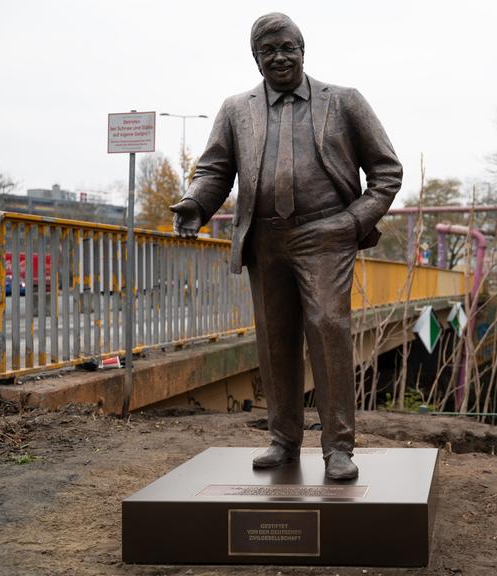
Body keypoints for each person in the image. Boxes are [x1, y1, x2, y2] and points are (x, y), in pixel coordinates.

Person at [169, 13, 402, 480]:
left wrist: (350, 223)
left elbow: (386, 173)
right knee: (275, 342)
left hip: (326, 236)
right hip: (265, 240)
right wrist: (196, 203)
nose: (279, 57)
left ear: (302, 49)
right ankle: (283, 439)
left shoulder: (345, 102)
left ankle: (338, 447)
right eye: (268, 50)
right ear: (255, 59)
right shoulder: (237, 109)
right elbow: (215, 169)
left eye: (287, 47)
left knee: (327, 328)